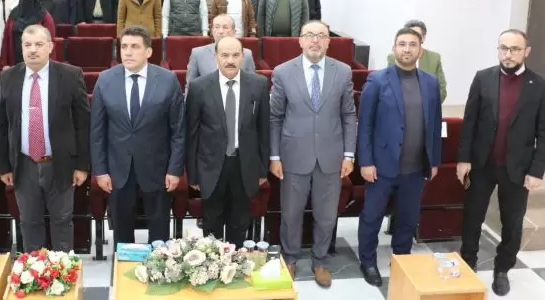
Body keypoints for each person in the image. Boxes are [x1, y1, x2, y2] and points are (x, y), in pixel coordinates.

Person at [458, 30, 545, 296]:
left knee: (512, 223)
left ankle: (502, 269)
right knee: (472, 217)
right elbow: (469, 122)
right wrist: (463, 159)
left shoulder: (541, 86)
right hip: (482, 163)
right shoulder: (483, 78)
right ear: (497, 49)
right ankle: (468, 261)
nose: (508, 54)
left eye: (514, 49)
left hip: (518, 168)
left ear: (526, 52)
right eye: (503, 48)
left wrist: (536, 171)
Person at [269, 21, 357, 284]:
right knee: (291, 214)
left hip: (331, 157)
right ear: (300, 40)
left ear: (329, 42)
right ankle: (290, 257)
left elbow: (348, 115)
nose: (315, 40)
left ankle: (321, 260)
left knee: (326, 216)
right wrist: (274, 156)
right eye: (309, 35)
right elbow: (275, 117)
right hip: (293, 155)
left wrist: (349, 155)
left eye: (321, 36)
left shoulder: (343, 72)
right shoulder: (283, 72)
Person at [356, 28, 442, 287]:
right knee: (372, 217)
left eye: (412, 44)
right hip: (381, 166)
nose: (407, 49)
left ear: (420, 50)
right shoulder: (377, 80)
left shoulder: (430, 82)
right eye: (402, 44)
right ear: (394, 49)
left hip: (415, 168)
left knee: (407, 218)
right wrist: (366, 161)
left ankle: (402, 260)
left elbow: (434, 124)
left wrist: (434, 160)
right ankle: (367, 261)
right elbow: (365, 124)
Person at [0, 25, 90, 252]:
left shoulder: (70, 75)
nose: (32, 50)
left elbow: (83, 125)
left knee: (62, 221)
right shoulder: (8, 77)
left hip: (60, 163)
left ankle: (63, 269)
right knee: (29, 222)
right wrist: (4, 166)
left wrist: (82, 165)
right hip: (24, 163)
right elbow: (1, 125)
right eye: (27, 45)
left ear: (50, 47)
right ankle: (33, 269)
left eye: (38, 44)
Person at [90, 25, 184, 245]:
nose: (128, 52)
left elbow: (178, 131)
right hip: (118, 168)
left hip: (157, 167)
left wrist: (174, 169)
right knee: (122, 232)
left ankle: (159, 264)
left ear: (148, 51)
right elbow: (97, 131)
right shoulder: (105, 80)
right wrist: (100, 171)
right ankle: (123, 264)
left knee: (159, 232)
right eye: (124, 47)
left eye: (134, 47)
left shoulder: (168, 80)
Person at [185, 36, 270, 248]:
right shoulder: (199, 87)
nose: (230, 60)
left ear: (242, 57)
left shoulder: (258, 85)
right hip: (211, 167)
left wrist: (262, 170)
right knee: (211, 225)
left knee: (239, 224)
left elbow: (263, 130)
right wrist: (193, 173)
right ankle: (214, 265)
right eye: (224, 55)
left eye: (235, 55)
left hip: (244, 166)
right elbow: (191, 133)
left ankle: (236, 264)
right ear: (216, 57)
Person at [386, 20, 447, 103]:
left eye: (417, 34)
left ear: (423, 38)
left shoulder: (434, 58)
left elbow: (441, 90)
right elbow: (389, 88)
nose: (412, 37)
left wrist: (424, 105)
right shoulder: (393, 58)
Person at [186, 14, 255, 83]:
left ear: (234, 32)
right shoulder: (198, 54)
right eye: (217, 27)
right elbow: (190, 85)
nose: (220, 31)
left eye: (225, 27)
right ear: (212, 31)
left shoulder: (246, 54)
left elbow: (252, 83)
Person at [0, 0, 56, 68]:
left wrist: (49, 65)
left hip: (37, 59)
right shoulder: (14, 14)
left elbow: (50, 40)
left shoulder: (44, 16)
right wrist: (5, 63)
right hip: (15, 60)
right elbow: (6, 39)